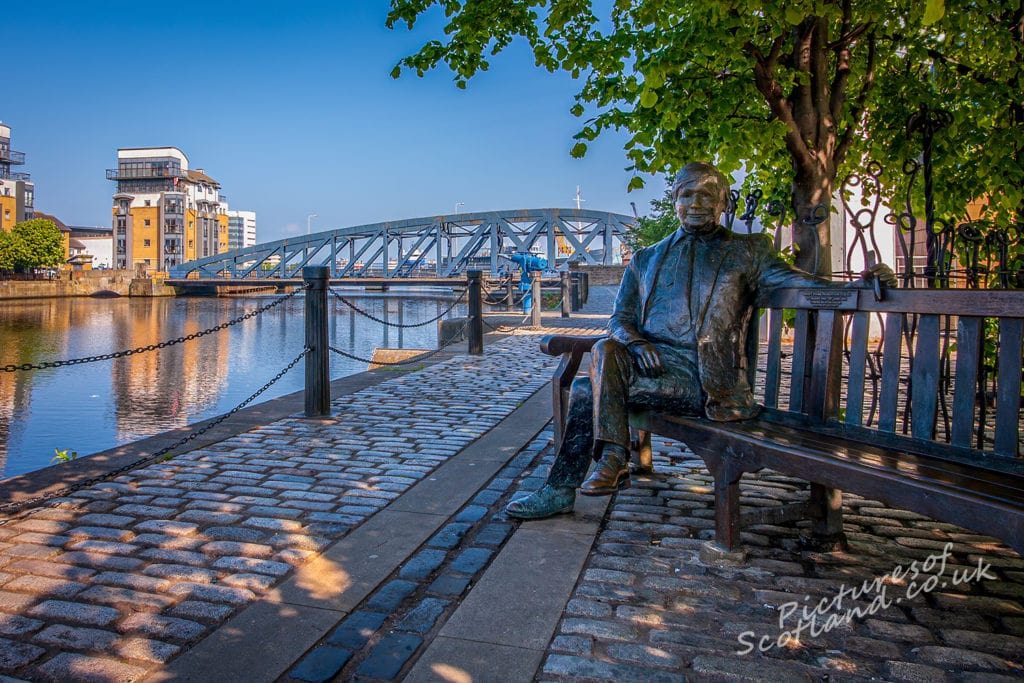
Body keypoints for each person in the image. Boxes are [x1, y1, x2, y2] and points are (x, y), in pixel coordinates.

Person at [506, 161, 896, 519]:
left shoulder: (748, 250)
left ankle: (576, 480)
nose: (697, 203)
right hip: (655, 369)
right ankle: (604, 462)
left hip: (710, 382)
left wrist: (859, 285)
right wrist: (639, 345)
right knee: (603, 355)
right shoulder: (646, 258)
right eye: (687, 194)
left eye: (708, 194)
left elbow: (803, 286)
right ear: (674, 199)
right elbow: (619, 320)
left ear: (723, 202)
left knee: (585, 388)